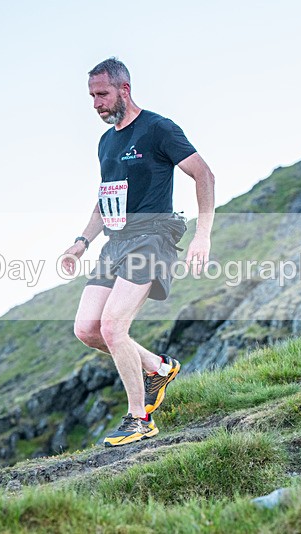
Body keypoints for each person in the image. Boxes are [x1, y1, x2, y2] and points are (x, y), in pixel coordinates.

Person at [61, 57, 215, 447]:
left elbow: (204, 174)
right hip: (115, 243)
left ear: (124, 90)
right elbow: (104, 199)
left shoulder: (158, 128)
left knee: (114, 326)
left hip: (152, 237)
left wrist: (203, 235)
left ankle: (139, 418)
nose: (96, 103)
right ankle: (158, 367)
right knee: (88, 329)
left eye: (102, 94)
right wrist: (81, 243)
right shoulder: (106, 142)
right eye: (91, 96)